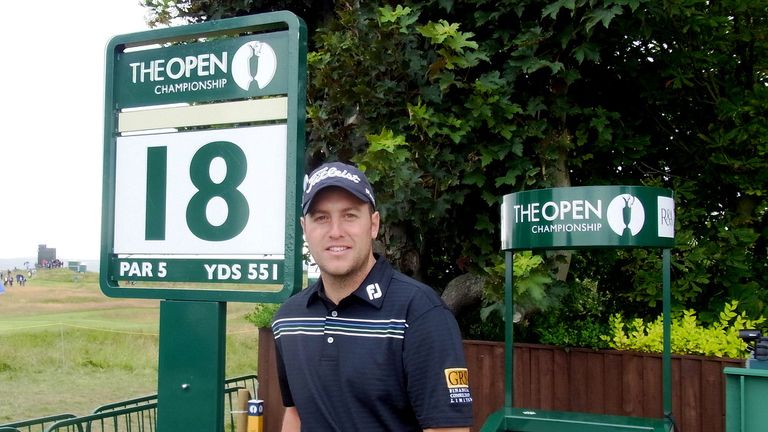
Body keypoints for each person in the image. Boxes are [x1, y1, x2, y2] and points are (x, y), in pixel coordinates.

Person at [272, 162, 473, 432]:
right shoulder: (288, 319)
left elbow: (447, 430)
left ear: (374, 225)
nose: (335, 231)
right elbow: (295, 414)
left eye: (350, 215)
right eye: (321, 217)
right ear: (304, 229)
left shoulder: (421, 313)